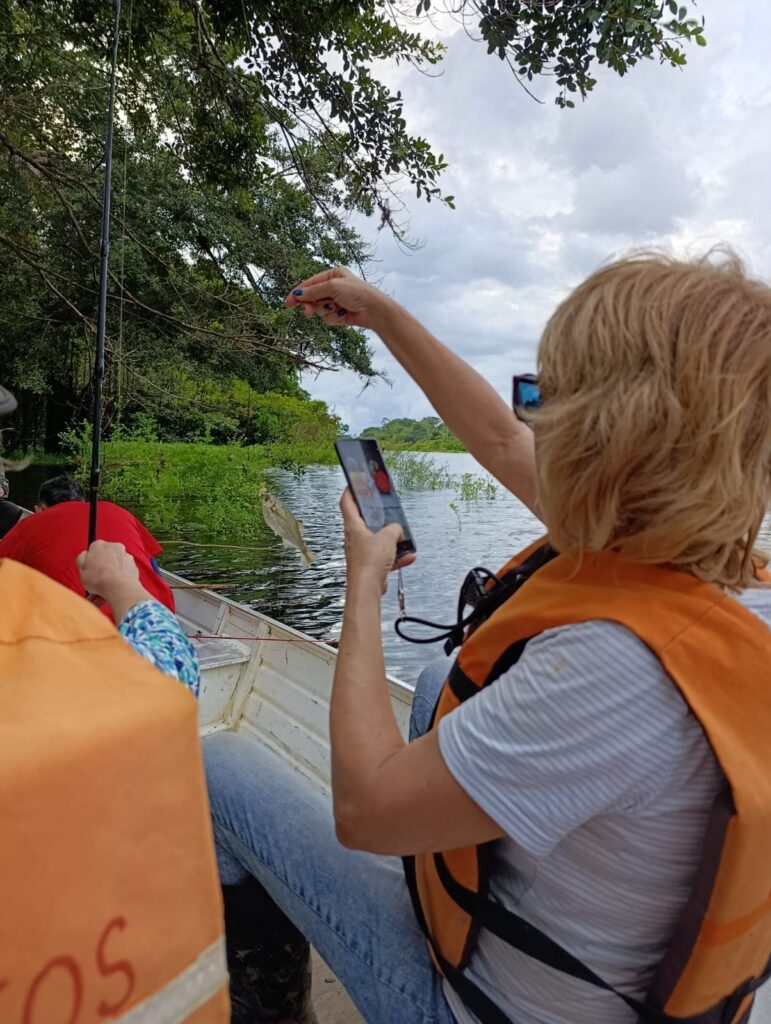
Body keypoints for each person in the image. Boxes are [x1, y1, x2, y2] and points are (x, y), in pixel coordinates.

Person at [204, 254, 771, 1024]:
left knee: (221, 767)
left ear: (605, 434)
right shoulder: (714, 574)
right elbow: (500, 442)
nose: (530, 417)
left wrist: (362, 584)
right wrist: (380, 312)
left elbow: (363, 812)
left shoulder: (613, 667)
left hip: (479, 1009)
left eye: (545, 397)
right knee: (437, 682)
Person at [0, 473, 174, 621]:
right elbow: (153, 568)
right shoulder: (121, 513)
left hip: (80, 631)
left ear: (39, 509)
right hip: (159, 619)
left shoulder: (30, 525)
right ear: (82, 501)